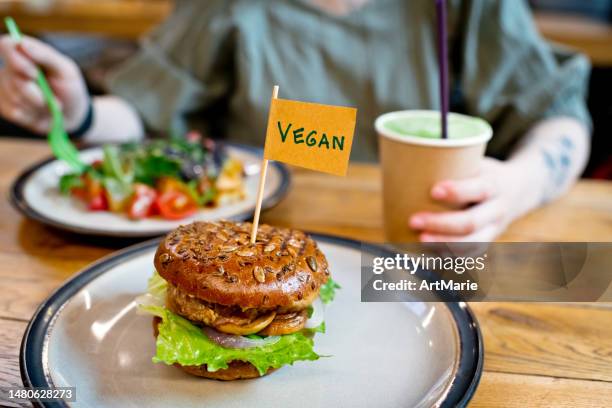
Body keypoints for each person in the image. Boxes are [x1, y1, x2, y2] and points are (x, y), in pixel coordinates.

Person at [0, 0, 591, 242]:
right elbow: (145, 114)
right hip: (265, 233)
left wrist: (521, 185)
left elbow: (558, 114)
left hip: (418, 252)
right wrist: (73, 112)